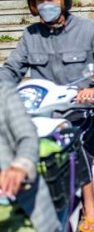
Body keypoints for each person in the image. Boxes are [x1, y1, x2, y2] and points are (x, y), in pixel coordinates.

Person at [0, 0, 94, 231]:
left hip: (80, 110)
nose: (46, 4)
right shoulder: (31, 35)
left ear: (64, 0)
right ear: (33, 6)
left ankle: (90, 210)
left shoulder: (89, 30)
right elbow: (11, 69)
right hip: (42, 112)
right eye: (39, 0)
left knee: (71, 142)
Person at [0, 81, 60, 232]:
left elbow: (28, 136)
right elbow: (13, 67)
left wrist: (20, 167)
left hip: (17, 208)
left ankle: (91, 207)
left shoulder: (4, 92)